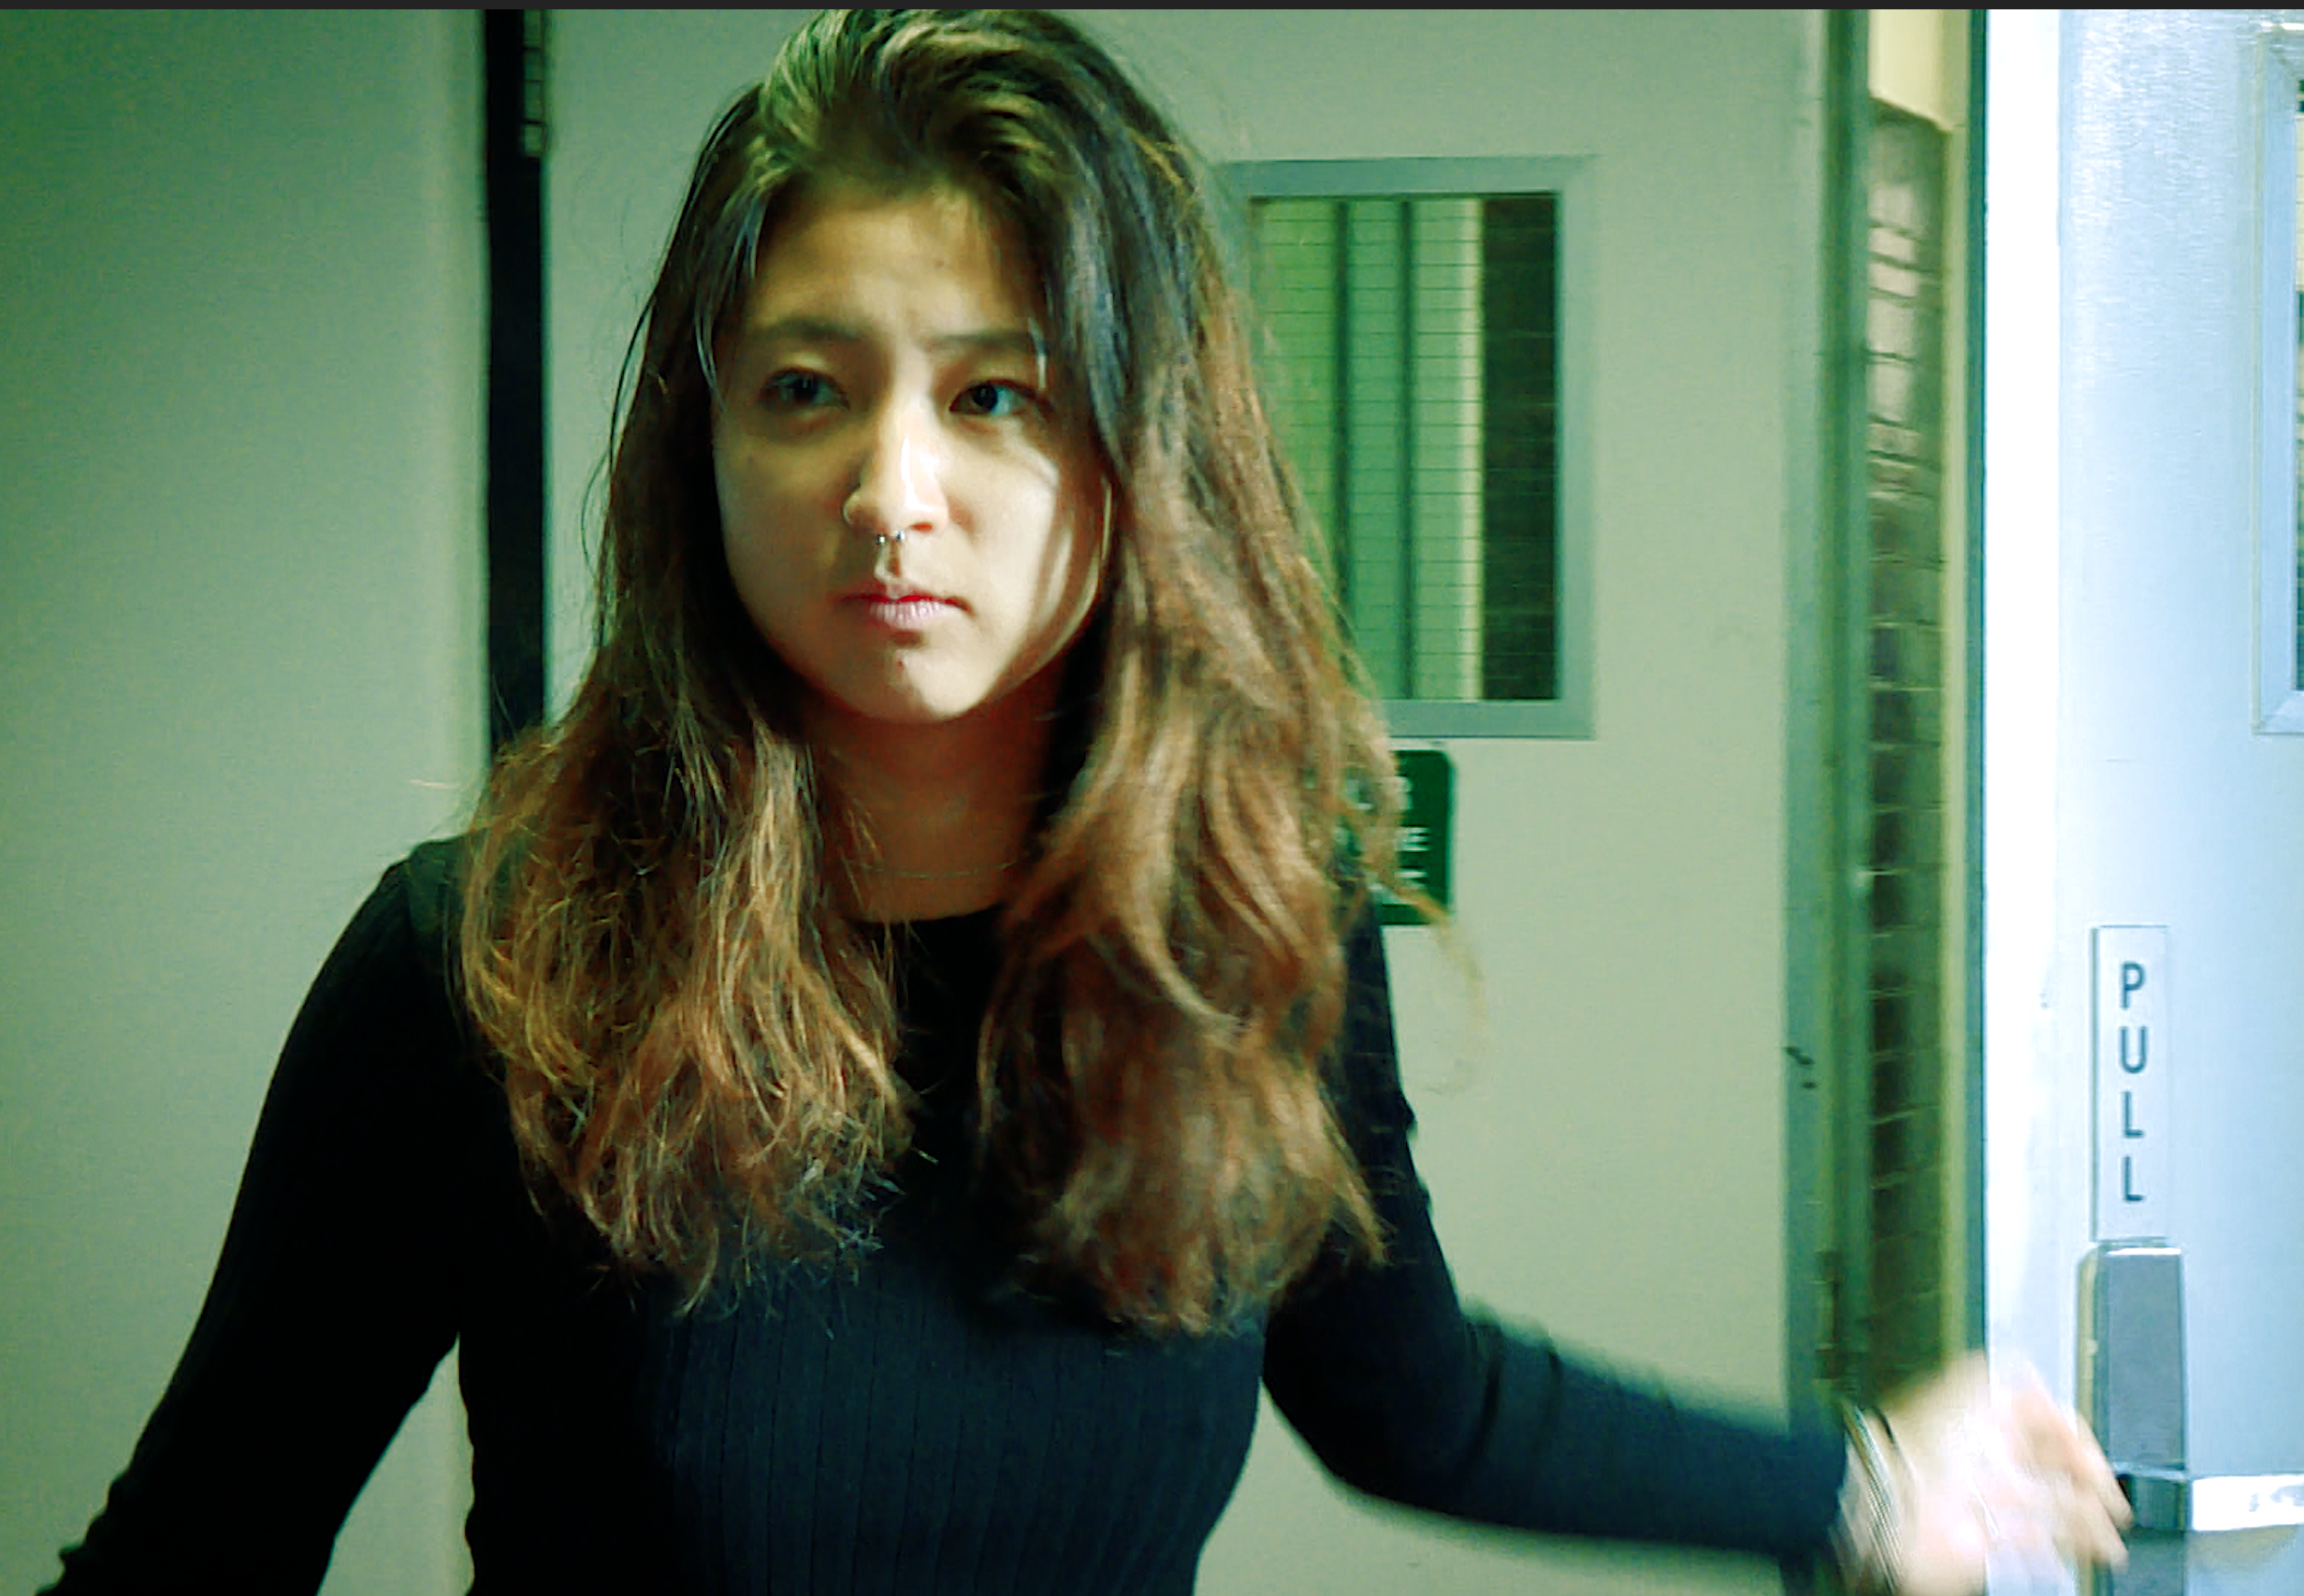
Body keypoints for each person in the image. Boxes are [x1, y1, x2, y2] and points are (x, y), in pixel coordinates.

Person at [44, 11, 2127, 1593]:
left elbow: (1410, 1396)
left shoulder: (1244, 939)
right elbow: (194, 1554)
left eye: (997, 394)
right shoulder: (489, 964)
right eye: (804, 388)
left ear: (1140, 452)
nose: (891, 492)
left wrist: (1862, 1484)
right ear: (707, 446)